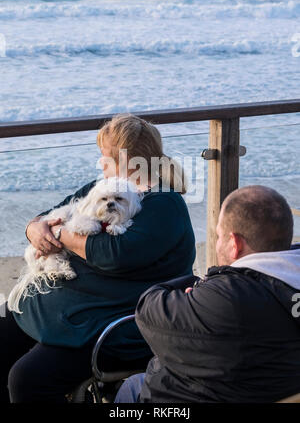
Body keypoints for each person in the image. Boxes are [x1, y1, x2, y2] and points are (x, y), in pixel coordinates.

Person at [0, 114, 196, 403]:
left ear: (128, 161)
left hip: (115, 323)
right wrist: (35, 228)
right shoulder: (103, 186)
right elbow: (52, 213)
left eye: (105, 158)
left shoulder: (164, 204)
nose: (100, 165)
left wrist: (63, 235)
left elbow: (113, 255)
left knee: (28, 379)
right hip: (70, 309)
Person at [115, 185, 300, 403]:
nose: (216, 242)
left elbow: (148, 311)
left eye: (219, 235)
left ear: (234, 243)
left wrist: (201, 282)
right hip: (271, 388)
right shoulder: (283, 284)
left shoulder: (228, 299)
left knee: (132, 386)